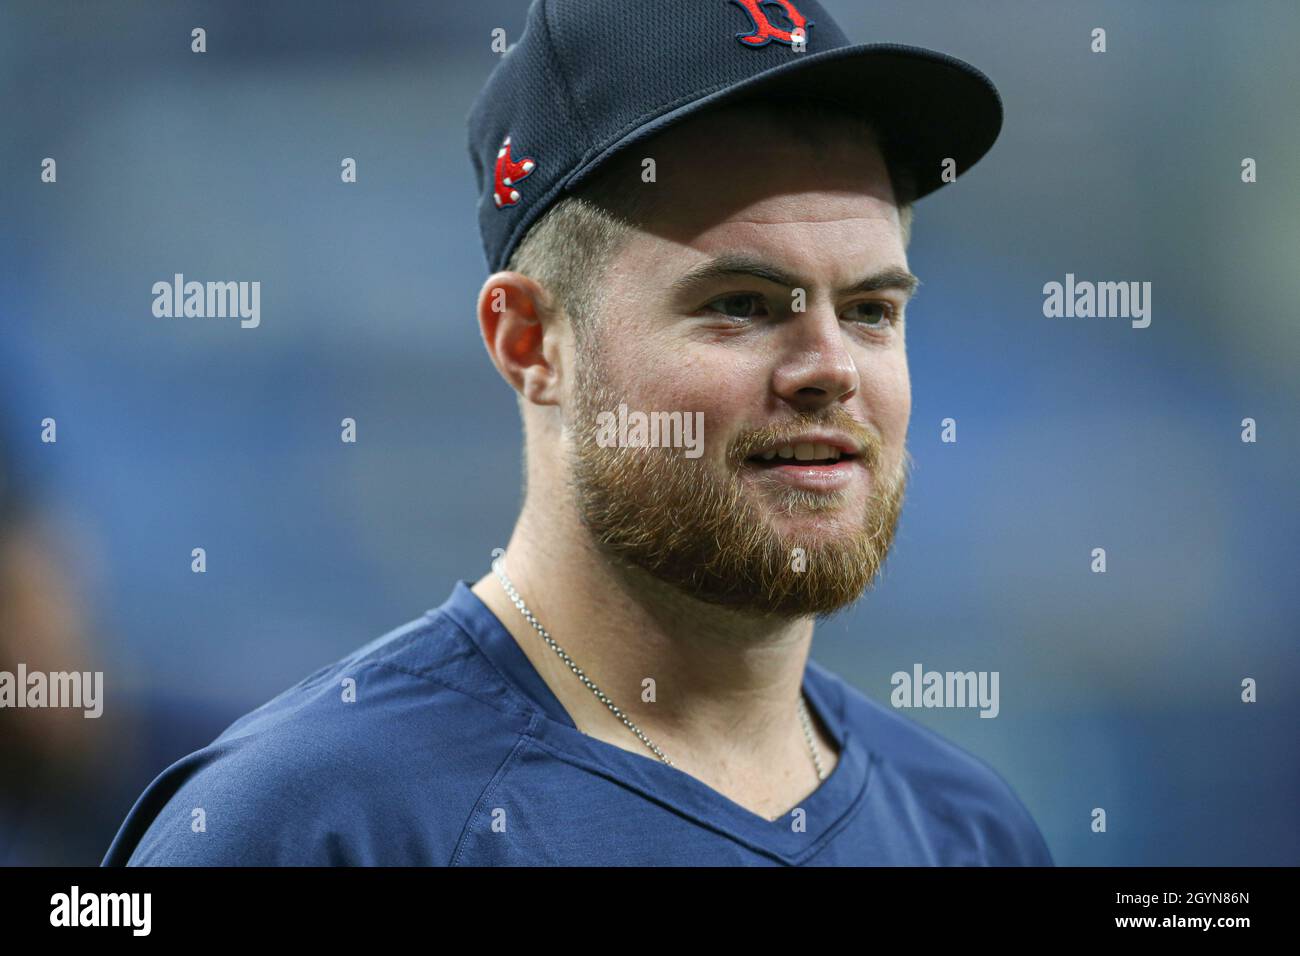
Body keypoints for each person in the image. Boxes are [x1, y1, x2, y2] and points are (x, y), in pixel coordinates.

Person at [104, 0, 1052, 866]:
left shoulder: (969, 829)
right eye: (741, 304)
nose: (833, 367)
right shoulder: (308, 826)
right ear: (530, 343)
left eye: (873, 310)